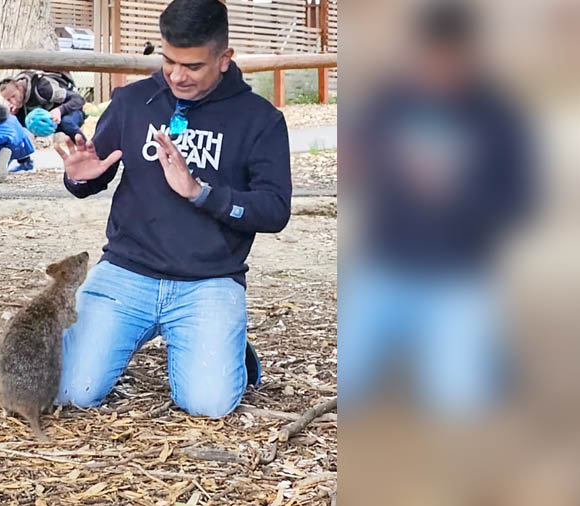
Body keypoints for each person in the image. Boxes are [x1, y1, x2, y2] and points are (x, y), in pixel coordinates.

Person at [53, 0, 291, 418]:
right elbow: (92, 178)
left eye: (193, 66)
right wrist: (80, 176)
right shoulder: (134, 101)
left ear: (224, 58)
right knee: (74, 392)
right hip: (127, 272)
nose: (177, 75)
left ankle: (226, 344)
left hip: (209, 281)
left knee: (208, 405)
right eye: (169, 60)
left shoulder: (260, 120)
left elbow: (274, 210)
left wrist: (202, 192)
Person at [338, 1, 531, 418]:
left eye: (448, 61)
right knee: (350, 381)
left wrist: (457, 193)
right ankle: (428, 349)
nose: (435, 72)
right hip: (385, 266)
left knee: (456, 404)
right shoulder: (391, 101)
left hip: (458, 276)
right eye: (427, 60)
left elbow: (520, 204)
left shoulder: (500, 115)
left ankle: (486, 355)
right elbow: (361, 165)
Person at [0, 70, 86, 172]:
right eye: (8, 100)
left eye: (13, 96)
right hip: (47, 119)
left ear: (20, 87)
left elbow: (78, 99)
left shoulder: (43, 88)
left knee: (67, 122)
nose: (13, 101)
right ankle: (25, 163)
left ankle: (87, 154)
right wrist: (14, 114)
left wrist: (60, 110)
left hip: (70, 111)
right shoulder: (19, 102)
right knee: (13, 123)